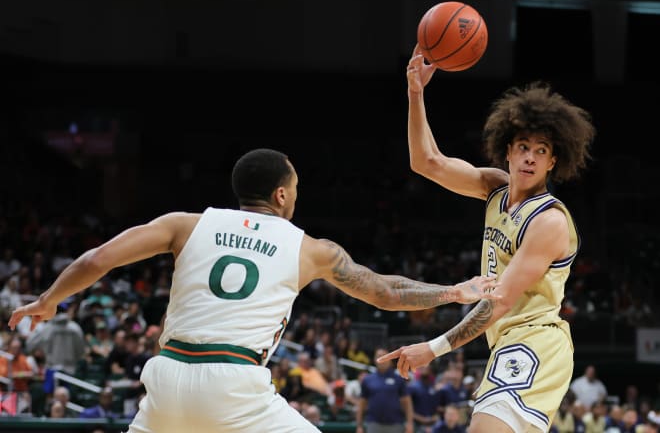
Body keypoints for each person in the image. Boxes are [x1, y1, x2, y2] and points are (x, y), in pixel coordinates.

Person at [9, 148, 498, 433]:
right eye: (297, 189)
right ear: (283, 194)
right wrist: (455, 291)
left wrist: (49, 299)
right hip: (233, 386)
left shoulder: (186, 224)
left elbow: (98, 259)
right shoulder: (309, 248)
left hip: (166, 380)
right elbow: (386, 292)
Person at [378, 45, 596, 433]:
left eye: (541, 151)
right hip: (508, 341)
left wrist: (433, 348)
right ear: (507, 151)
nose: (530, 158)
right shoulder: (495, 187)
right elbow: (426, 162)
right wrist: (415, 93)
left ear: (553, 162)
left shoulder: (549, 221)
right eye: (524, 148)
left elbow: (500, 302)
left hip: (536, 341)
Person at [356, 346, 414, 433]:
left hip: (395, 424)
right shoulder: (367, 380)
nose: (382, 359)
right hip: (373, 424)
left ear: (390, 359)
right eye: (379, 356)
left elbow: (407, 403)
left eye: (384, 356)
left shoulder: (399, 379)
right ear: (375, 359)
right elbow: (361, 404)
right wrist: (359, 426)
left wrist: (410, 423)